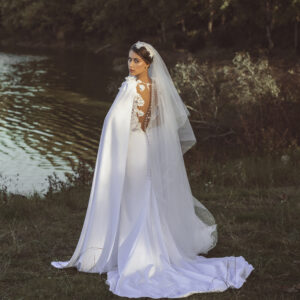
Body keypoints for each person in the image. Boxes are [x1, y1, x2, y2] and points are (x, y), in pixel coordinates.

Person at [51, 41, 254, 298]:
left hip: (132, 149)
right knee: (143, 195)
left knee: (130, 197)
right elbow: (158, 122)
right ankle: (147, 244)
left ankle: (130, 248)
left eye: (136, 60)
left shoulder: (130, 86)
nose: (131, 64)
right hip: (145, 148)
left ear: (148, 63)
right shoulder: (157, 88)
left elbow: (112, 121)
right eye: (129, 59)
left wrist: (119, 142)